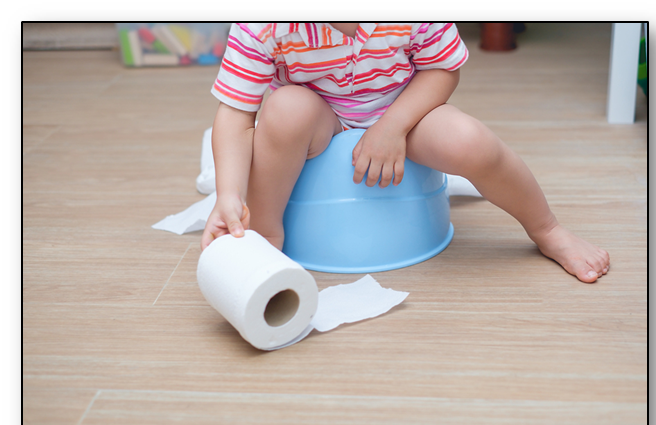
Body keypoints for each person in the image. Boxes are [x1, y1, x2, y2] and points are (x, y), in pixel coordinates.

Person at [200, 23, 610, 283]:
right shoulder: (262, 23)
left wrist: (393, 126)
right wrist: (228, 194)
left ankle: (547, 229)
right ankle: (266, 234)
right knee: (284, 109)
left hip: (404, 111)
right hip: (318, 116)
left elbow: (442, 68)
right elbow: (236, 115)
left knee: (469, 140)